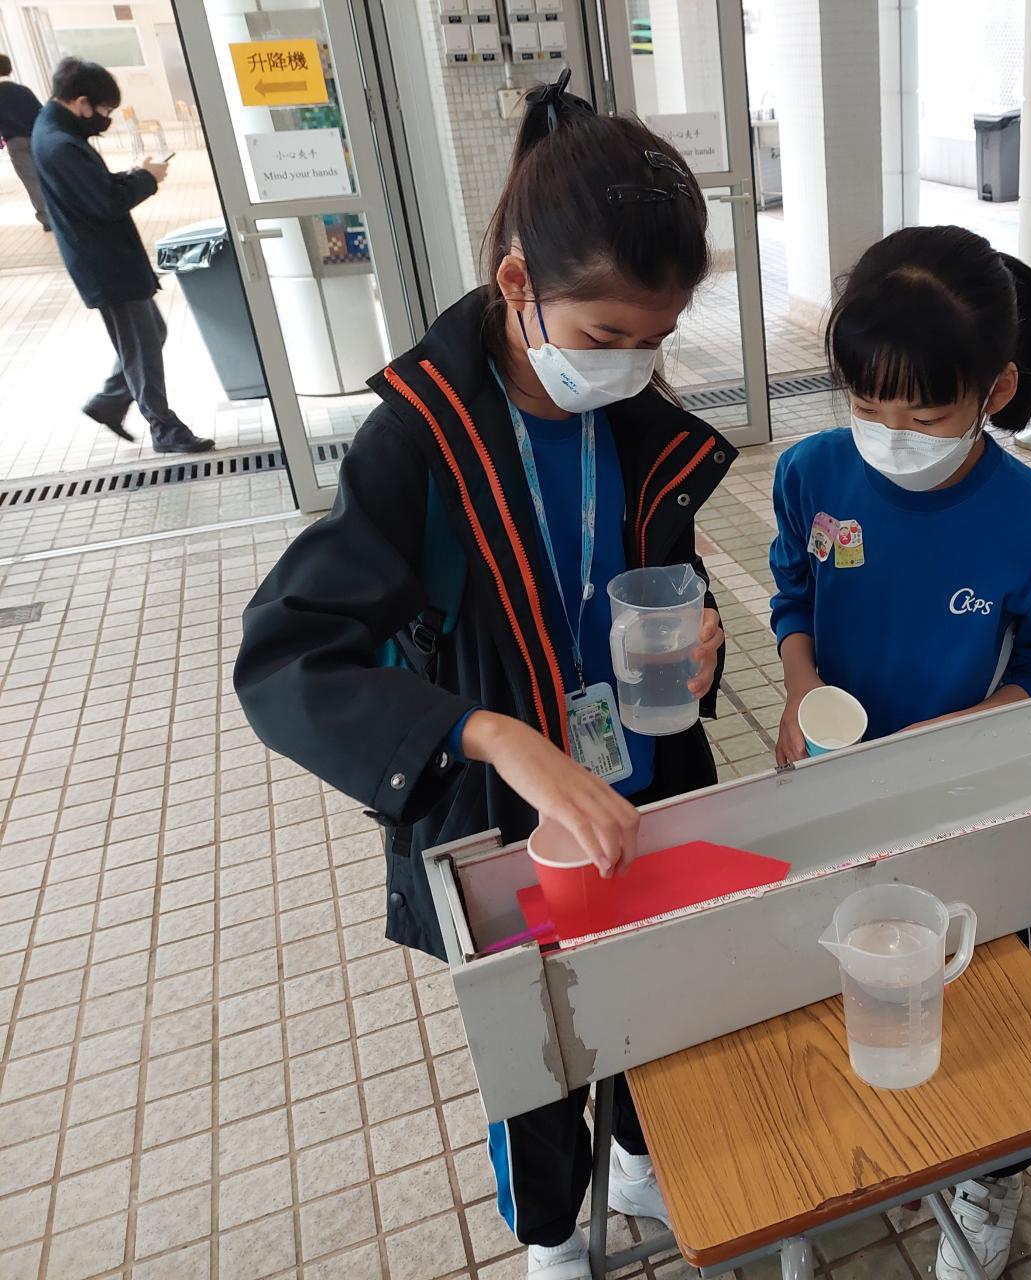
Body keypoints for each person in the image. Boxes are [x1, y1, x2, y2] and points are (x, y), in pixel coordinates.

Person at [235, 72, 731, 1280]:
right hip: (501, 815)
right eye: (608, 337)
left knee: (652, 988)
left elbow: (655, 569)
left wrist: (701, 630)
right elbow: (289, 654)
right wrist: (496, 734)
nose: (633, 364)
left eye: (656, 340)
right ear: (518, 284)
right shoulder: (418, 440)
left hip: (642, 771)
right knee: (534, 1047)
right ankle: (552, 1235)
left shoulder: (632, 417)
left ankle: (638, 1158)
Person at [767, 225, 1031, 1279]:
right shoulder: (812, 473)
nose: (890, 436)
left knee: (985, 984)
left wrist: (951, 736)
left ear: (995, 389)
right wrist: (799, 686)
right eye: (867, 406)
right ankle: (868, 1142)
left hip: (972, 797)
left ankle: (990, 1180)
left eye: (923, 416)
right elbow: (791, 591)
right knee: (847, 968)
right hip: (836, 785)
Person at [31, 57, 212, 453]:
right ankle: (165, 429)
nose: (106, 118)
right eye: (104, 110)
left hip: (107, 257)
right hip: (105, 262)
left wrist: (133, 174)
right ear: (81, 102)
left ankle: (109, 402)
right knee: (142, 347)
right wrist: (146, 179)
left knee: (151, 334)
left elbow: (91, 190)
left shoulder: (55, 132)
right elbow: (106, 202)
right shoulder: (60, 144)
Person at [0, 54, 51, 231]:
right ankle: (60, 213)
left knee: (32, 181)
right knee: (46, 176)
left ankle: (47, 219)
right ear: (10, 69)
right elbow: (41, 113)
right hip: (36, 139)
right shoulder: (24, 91)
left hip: (15, 143)